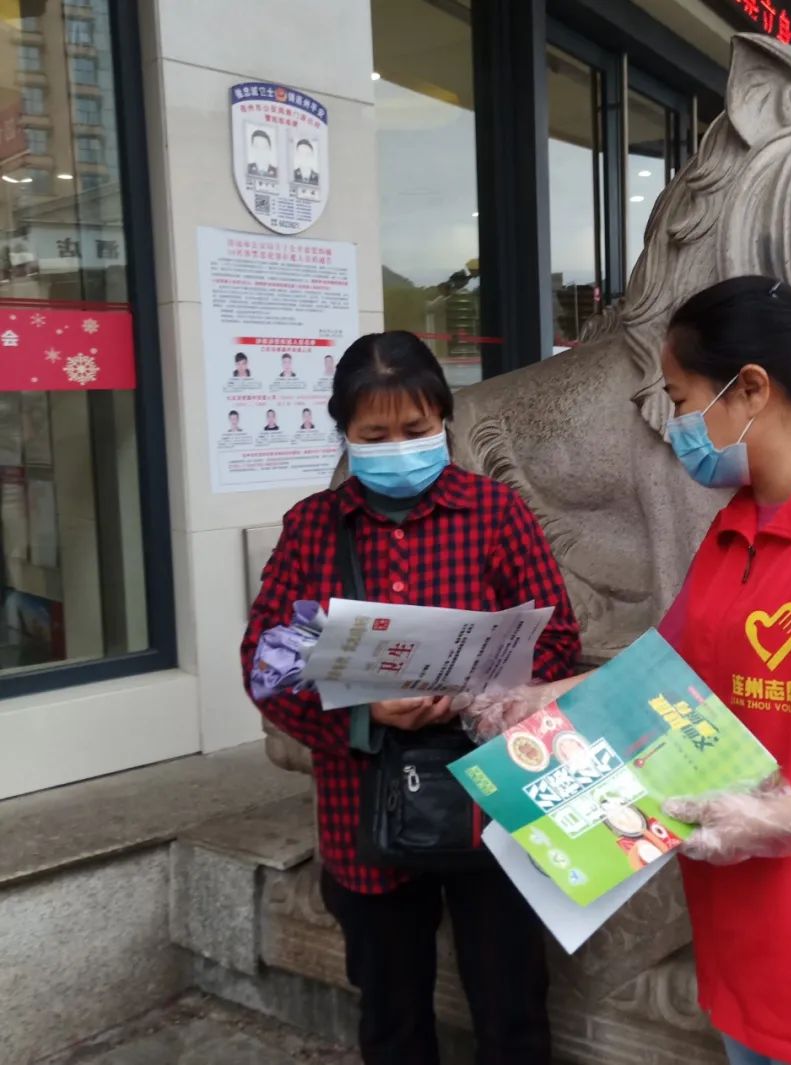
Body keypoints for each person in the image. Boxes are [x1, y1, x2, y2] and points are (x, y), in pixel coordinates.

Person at [465, 277, 791, 1065]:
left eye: (681, 400)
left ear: (750, 388)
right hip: (751, 943)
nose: (675, 425)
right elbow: (667, 675)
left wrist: (773, 815)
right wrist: (545, 698)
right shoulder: (735, 529)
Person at [241, 330, 580, 1065]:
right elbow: (264, 665)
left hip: (491, 798)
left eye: (416, 429)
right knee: (391, 1015)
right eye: (375, 435)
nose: (398, 448)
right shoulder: (312, 528)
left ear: (443, 420)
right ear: (344, 433)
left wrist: (477, 689)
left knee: (512, 1008)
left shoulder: (496, 513)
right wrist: (361, 712)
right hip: (361, 807)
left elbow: (556, 638)